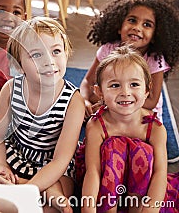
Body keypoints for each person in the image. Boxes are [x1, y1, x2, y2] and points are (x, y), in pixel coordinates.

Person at [0, 17, 85, 212]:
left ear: (66, 54)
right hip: (15, 152)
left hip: (50, 164)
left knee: (55, 208)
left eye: (56, 51)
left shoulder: (74, 102)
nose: (49, 61)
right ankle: (17, 187)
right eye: (36, 55)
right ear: (19, 63)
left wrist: (29, 188)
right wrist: (0, 166)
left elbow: (61, 160)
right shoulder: (11, 88)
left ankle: (18, 190)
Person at [76, 45, 178, 212]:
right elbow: (93, 172)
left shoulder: (155, 128)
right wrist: (89, 209)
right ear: (99, 91)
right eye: (115, 85)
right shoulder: (96, 125)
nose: (125, 92)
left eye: (134, 84)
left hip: (139, 189)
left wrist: (150, 209)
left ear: (147, 90)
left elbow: (160, 173)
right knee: (113, 147)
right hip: (104, 184)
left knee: (144, 151)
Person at [80, 0, 179, 119]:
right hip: (111, 99)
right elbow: (88, 81)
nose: (137, 28)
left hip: (140, 107)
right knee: (83, 105)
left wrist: (111, 106)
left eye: (147, 25)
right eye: (132, 20)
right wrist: (84, 100)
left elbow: (152, 101)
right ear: (119, 27)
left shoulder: (154, 60)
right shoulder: (108, 49)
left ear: (155, 35)